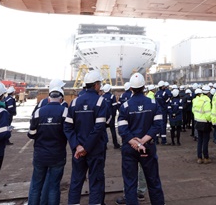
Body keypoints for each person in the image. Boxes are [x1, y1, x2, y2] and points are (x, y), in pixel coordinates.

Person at [117, 73, 165, 205]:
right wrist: (143, 141)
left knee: (130, 183)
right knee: (153, 180)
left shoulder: (125, 106)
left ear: (131, 88)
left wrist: (135, 142)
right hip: (148, 146)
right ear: (144, 87)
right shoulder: (153, 103)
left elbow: (122, 128)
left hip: (130, 148)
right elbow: (158, 125)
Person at [64, 69, 109, 205]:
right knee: (95, 182)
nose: (100, 86)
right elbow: (99, 128)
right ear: (95, 85)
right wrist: (86, 147)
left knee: (76, 181)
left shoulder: (74, 102)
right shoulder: (101, 102)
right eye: (99, 84)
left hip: (78, 151)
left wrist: (77, 146)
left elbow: (67, 127)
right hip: (94, 150)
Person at [27, 84, 67, 205]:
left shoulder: (39, 112)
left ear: (48, 99)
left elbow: (31, 134)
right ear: (61, 99)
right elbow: (67, 132)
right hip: (57, 155)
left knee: (36, 186)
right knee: (54, 187)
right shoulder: (65, 111)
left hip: (40, 155)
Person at [193, 86, 212, 164]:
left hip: (197, 121)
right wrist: (210, 120)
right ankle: (206, 157)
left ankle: (199, 157)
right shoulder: (207, 101)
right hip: (205, 122)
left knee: (200, 140)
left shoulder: (196, 100)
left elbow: (193, 111)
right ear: (208, 93)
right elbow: (208, 114)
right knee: (205, 140)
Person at [102, 84, 121, 149]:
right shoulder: (112, 97)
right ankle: (115, 144)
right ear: (110, 89)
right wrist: (113, 116)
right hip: (110, 117)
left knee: (103, 132)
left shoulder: (102, 97)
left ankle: (104, 145)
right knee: (113, 131)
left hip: (104, 117)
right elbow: (114, 107)